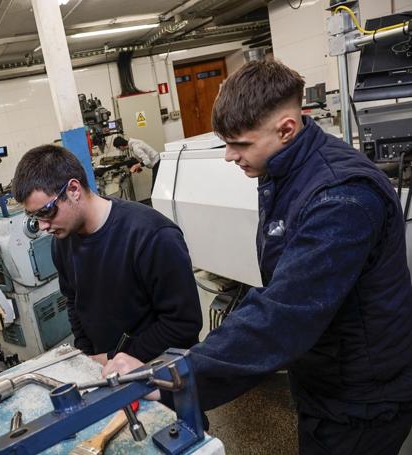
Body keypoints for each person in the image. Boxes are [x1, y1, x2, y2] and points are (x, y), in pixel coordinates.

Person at [103, 60, 412, 454]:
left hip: (362, 397)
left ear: (286, 129)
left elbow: (283, 314)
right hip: (324, 376)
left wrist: (173, 378)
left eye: (241, 144)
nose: (229, 156)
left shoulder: (341, 196)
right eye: (225, 143)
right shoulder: (285, 171)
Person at [12, 144, 202, 365]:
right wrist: (88, 359)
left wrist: (113, 358)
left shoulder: (152, 236)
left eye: (46, 211)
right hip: (106, 369)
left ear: (73, 190)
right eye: (35, 217)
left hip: (162, 372)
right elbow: (74, 302)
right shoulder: (61, 242)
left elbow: (183, 325)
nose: (43, 226)